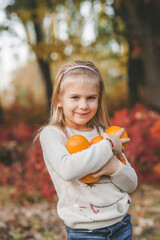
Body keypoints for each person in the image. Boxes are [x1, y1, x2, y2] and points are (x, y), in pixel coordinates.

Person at [39, 60, 138, 240]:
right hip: (85, 231)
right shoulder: (53, 134)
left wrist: (114, 168)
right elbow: (68, 169)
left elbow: (131, 184)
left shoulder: (104, 133)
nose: (84, 105)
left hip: (121, 224)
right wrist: (108, 146)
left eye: (91, 98)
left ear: (99, 100)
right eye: (75, 97)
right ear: (59, 100)